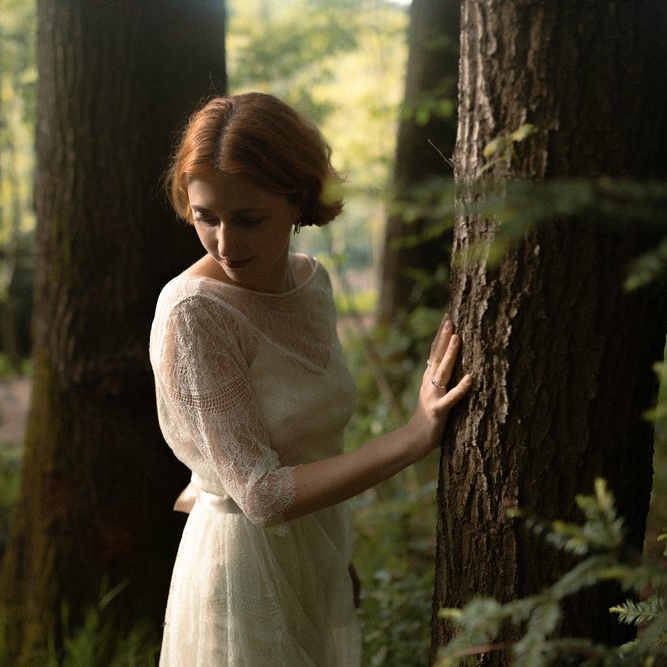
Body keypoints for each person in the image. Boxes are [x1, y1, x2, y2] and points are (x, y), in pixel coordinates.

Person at [150, 92, 472, 666]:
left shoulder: (311, 283)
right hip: (241, 572)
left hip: (318, 546)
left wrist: (334, 554)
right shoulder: (194, 311)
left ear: (300, 200)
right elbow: (262, 494)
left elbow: (308, 442)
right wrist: (415, 434)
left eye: (249, 219)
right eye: (206, 217)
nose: (226, 243)